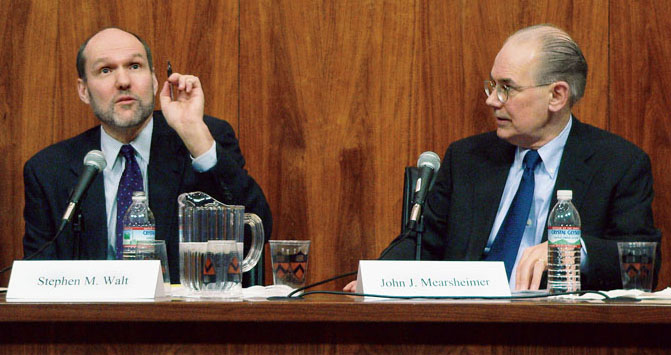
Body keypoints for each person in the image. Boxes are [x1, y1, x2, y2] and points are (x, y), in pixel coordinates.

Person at [345, 24, 660, 292]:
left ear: (557, 95)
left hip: (555, 331)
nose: (491, 100)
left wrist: (573, 251)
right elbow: (422, 243)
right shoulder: (467, 159)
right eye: (493, 85)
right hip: (461, 328)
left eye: (507, 88)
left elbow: (641, 258)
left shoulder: (617, 163)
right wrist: (375, 277)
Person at [23, 28, 272, 284]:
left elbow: (255, 235)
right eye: (105, 70)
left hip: (184, 320)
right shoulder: (48, 170)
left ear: (154, 81)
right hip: (92, 320)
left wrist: (196, 139)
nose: (123, 81)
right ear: (83, 90)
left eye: (134, 66)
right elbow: (38, 277)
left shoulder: (201, 138)